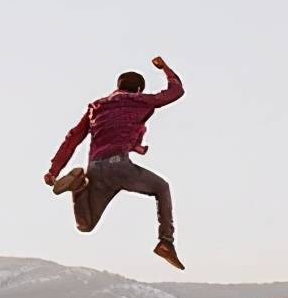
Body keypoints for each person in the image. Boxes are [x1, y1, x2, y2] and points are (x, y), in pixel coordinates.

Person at [44, 56, 186, 270]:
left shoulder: (97, 107)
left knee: (86, 225)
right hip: (119, 166)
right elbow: (175, 92)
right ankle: (166, 242)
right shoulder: (139, 100)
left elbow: (73, 138)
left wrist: (54, 170)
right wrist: (165, 68)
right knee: (161, 187)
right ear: (138, 89)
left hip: (95, 169)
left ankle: (79, 187)